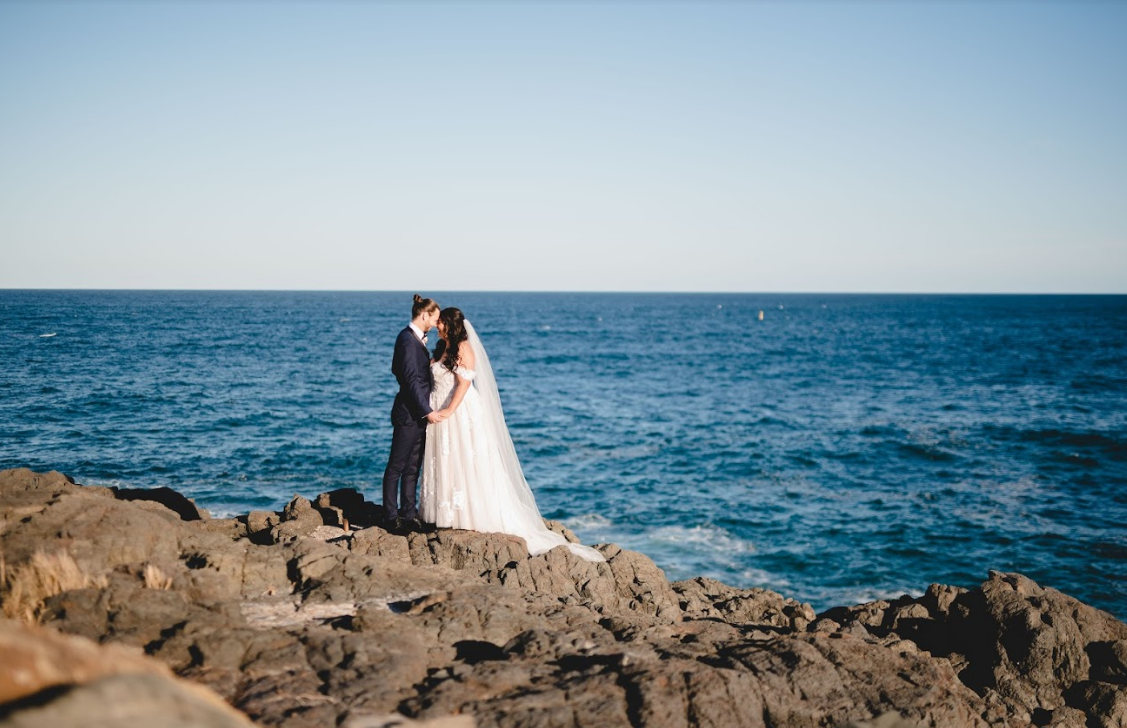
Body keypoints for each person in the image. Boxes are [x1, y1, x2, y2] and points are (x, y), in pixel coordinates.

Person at [420, 307, 605, 562]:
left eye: (440, 323)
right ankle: (446, 513)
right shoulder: (442, 349)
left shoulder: (464, 349)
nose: (436, 326)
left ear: (450, 325)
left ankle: (469, 515)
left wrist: (449, 410)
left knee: (466, 460)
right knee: (447, 460)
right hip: (441, 410)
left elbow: (463, 385)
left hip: (459, 411)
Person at [382, 295, 445, 534]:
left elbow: (406, 371)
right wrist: (427, 410)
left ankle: (409, 514)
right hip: (409, 413)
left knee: (412, 468)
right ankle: (390, 516)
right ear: (425, 315)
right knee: (396, 467)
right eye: (435, 318)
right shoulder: (407, 339)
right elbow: (409, 380)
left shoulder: (415, 340)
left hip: (416, 414)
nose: (437, 323)